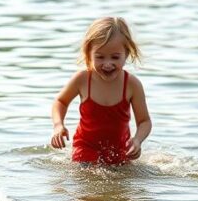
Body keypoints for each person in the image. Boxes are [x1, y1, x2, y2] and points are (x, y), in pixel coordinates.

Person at [50, 17, 153, 165]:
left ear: (126, 54)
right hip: (85, 148)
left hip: (120, 150)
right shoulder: (82, 79)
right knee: (87, 174)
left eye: (115, 57)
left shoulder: (132, 84)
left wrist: (137, 140)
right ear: (89, 54)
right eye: (100, 57)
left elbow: (144, 121)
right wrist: (58, 125)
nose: (107, 64)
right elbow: (60, 101)